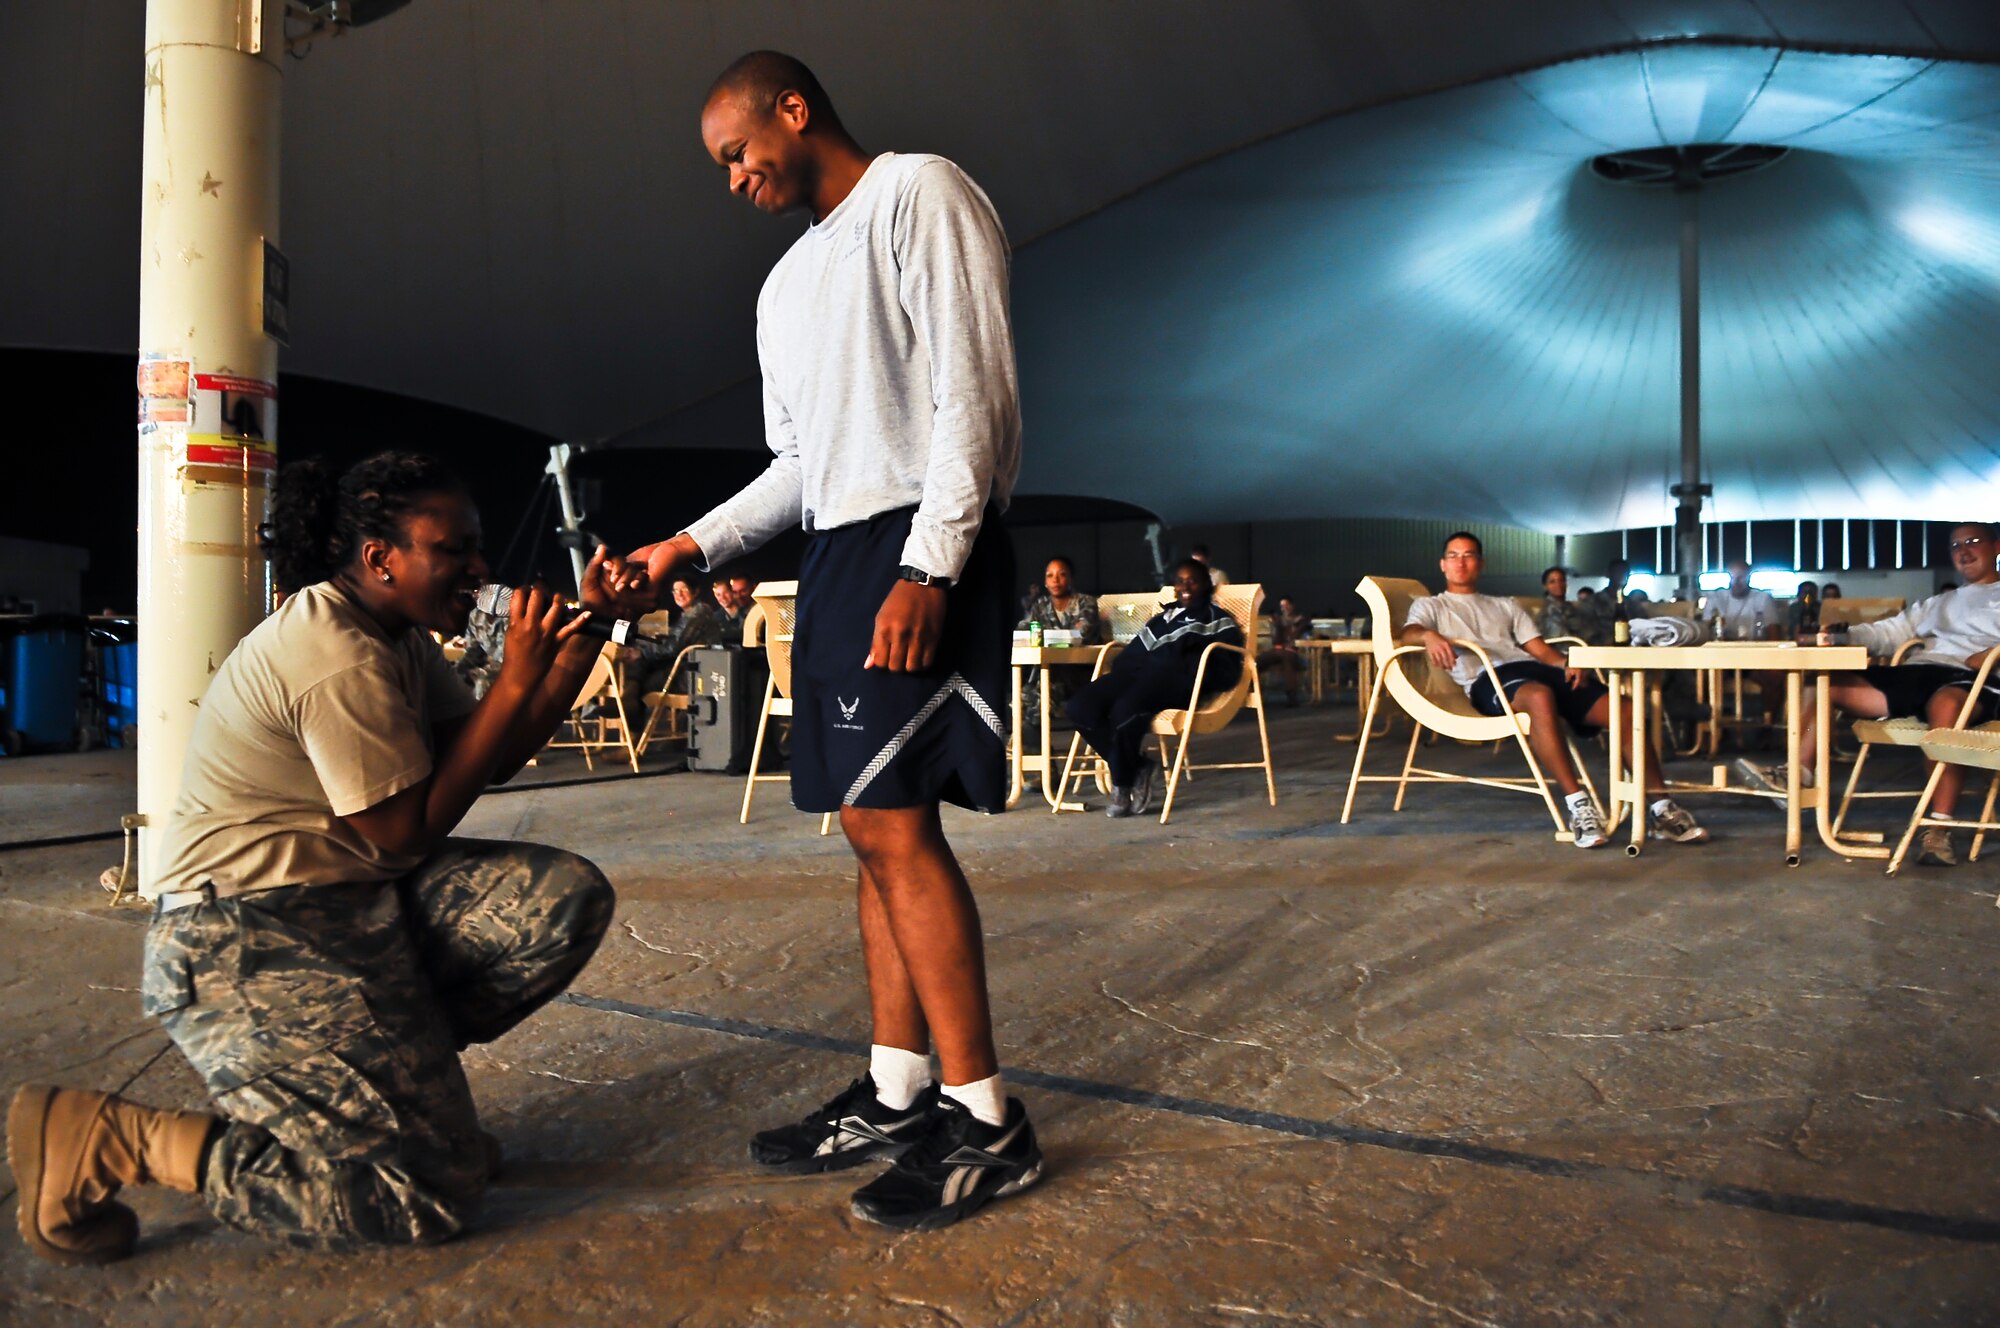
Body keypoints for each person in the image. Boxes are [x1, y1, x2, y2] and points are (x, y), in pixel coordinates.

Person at [8, 452, 638, 1264]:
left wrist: (574, 644)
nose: (479, 568)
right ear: (381, 559)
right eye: (454, 550)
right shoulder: (332, 651)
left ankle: (398, 1096)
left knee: (559, 898)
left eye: (475, 548)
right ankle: (122, 1138)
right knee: (426, 1195)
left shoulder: (396, 634)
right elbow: (405, 833)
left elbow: (494, 757)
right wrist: (514, 681)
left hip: (346, 901)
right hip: (238, 931)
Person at [631, 51, 1036, 1231]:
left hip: (917, 540)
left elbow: (974, 396)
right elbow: (798, 469)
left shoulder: (921, 193)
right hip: (839, 554)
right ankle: (899, 1091)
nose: (734, 177)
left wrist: (928, 564)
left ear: (792, 111)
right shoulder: (783, 286)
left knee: (892, 823)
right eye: (721, 167)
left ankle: (986, 1122)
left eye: (738, 151)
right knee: (867, 826)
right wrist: (688, 547)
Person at [1404, 532, 1709, 849]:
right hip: (1488, 679)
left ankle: (1661, 809)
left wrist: (1565, 663)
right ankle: (1578, 805)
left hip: (1534, 670)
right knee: (1538, 696)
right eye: (1453, 555)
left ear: (1480, 563)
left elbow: (1538, 648)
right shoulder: (1432, 606)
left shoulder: (1504, 605)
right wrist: (1428, 636)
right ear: (1442, 564)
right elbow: (1408, 633)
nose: (1460, 562)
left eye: (1468, 555)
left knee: (1625, 708)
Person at [1740, 522, 2000, 865]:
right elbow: (1890, 632)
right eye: (1956, 546)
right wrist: (1842, 636)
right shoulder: (1939, 602)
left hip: (1974, 679)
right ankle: (1797, 774)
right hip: (1917, 674)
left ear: (1996, 548)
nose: (1963, 551)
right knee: (1824, 682)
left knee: (1947, 705)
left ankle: (1939, 827)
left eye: (1973, 542)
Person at [1066, 560, 1243, 815]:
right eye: (1180, 581)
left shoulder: (1216, 619)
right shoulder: (1161, 620)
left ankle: (1122, 784)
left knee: (1124, 711)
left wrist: (1189, 673)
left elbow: (1228, 667)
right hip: (1136, 675)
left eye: (1192, 580)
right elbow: (1132, 655)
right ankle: (1137, 767)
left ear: (1206, 584)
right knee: (1080, 707)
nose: (1186, 586)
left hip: (1176, 681)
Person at [1017, 555, 1102, 729]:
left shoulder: (1086, 603)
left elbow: (1081, 634)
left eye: (1061, 574)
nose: (1055, 580)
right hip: (1047, 673)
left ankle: (1034, 741)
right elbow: (1023, 630)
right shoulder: (1040, 606)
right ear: (1045, 582)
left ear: (1071, 579)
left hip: (1080, 675)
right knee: (1026, 692)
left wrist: (1045, 637)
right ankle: (1036, 744)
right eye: (1050, 575)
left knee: (1041, 690)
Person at [1701, 560, 1779, 641]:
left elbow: (1773, 631)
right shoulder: (1716, 597)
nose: (1736, 581)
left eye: (1741, 577)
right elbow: (1705, 627)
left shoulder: (1763, 598)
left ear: (1749, 578)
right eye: (1733, 577)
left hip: (1754, 647)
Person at [1257, 593, 1312, 706]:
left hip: (1292, 651)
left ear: (1292, 605)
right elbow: (1276, 641)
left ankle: (1291, 697)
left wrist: (1290, 641)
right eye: (1282, 606)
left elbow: (1299, 634)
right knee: (1257, 660)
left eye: (1286, 605)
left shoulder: (1300, 620)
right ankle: (1252, 687)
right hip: (1279, 650)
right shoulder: (1279, 620)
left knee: (1288, 659)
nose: (1284, 608)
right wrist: (1277, 625)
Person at [1537, 566, 1586, 643]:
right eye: (1552, 581)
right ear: (1545, 586)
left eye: (1561, 580)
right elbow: (1561, 641)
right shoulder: (1549, 612)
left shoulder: (1570, 607)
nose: (1558, 584)